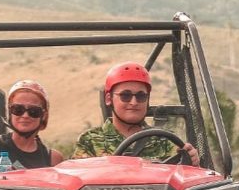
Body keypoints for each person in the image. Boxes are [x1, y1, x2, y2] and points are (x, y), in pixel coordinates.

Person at [72, 61, 201, 164]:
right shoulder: (90, 141)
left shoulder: (165, 140)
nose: (134, 102)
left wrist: (192, 161)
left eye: (141, 96)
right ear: (108, 99)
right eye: (125, 95)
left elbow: (182, 182)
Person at [0, 55, 64, 172]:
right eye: (18, 110)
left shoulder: (53, 158)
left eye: (33, 111)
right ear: (10, 112)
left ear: (44, 115)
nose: (25, 116)